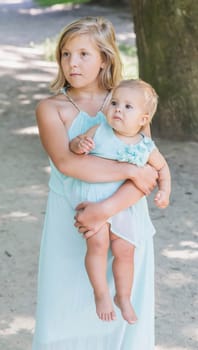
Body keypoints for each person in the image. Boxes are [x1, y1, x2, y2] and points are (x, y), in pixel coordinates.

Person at [32, 16, 158, 350]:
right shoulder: (51, 108)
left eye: (84, 54)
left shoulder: (128, 103)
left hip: (125, 218)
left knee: (125, 306)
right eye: (65, 54)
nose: (72, 63)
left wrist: (104, 209)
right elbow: (68, 163)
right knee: (63, 310)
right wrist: (129, 171)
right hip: (70, 221)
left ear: (104, 58)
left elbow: (147, 171)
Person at [67, 78, 171, 325]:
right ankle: (101, 293)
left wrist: (165, 191)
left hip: (124, 206)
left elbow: (162, 168)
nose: (118, 110)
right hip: (95, 202)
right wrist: (79, 144)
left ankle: (123, 297)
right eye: (114, 103)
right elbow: (73, 149)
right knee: (98, 245)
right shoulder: (99, 130)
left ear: (143, 120)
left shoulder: (145, 146)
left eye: (128, 107)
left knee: (125, 251)